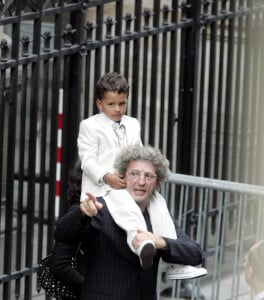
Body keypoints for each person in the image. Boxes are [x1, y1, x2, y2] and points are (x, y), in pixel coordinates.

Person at [76, 72, 207, 278]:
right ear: (99, 104)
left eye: (122, 103)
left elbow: (139, 152)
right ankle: (140, 244)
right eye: (111, 105)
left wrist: (150, 174)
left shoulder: (133, 123)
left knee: (159, 205)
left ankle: (173, 264)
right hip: (106, 188)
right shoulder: (90, 126)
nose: (118, 109)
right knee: (128, 211)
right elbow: (88, 160)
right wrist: (106, 176)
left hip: (129, 181)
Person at [52, 145, 206, 300]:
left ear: (158, 184)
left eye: (148, 176)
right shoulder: (101, 207)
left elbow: (195, 253)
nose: (141, 181)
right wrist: (81, 214)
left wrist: (160, 242)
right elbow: (61, 233)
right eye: (134, 174)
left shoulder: (160, 216)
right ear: (122, 178)